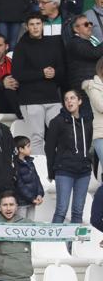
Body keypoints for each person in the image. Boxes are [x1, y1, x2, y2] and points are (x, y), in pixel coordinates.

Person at [11, 14, 65, 154]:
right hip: (31, 100)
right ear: (27, 27)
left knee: (62, 135)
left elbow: (62, 68)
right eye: (32, 24)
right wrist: (41, 73)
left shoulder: (53, 44)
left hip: (52, 98)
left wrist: (55, 72)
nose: (35, 27)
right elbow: (17, 73)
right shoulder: (21, 46)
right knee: (37, 137)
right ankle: (39, 171)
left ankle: (60, 168)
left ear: (43, 25)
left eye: (38, 23)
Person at [45, 88, 92, 229]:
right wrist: (51, 171)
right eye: (66, 99)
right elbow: (49, 148)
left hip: (84, 171)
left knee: (78, 212)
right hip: (64, 170)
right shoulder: (57, 122)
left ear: (80, 101)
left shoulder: (87, 121)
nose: (69, 101)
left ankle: (72, 248)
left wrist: (89, 164)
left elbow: (89, 144)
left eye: (72, 98)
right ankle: (53, 246)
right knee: (61, 210)